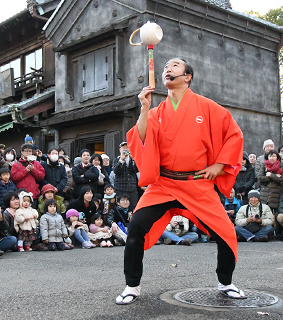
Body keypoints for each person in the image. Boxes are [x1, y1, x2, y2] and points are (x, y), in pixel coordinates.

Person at [116, 57, 244, 305]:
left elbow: (233, 133)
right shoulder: (156, 112)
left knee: (226, 231)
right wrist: (143, 108)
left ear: (188, 77)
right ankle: (132, 285)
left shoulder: (207, 107)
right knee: (136, 227)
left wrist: (219, 165)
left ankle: (225, 282)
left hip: (197, 183)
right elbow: (140, 139)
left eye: (174, 65)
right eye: (165, 67)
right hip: (164, 184)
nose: (167, 68)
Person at [112, 142, 139, 208]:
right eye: (123, 148)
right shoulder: (116, 160)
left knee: (133, 208)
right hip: (120, 189)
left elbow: (136, 170)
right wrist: (121, 159)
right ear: (120, 150)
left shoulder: (133, 159)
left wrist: (133, 160)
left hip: (132, 189)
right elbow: (116, 171)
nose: (125, 149)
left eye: (127, 147)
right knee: (120, 208)